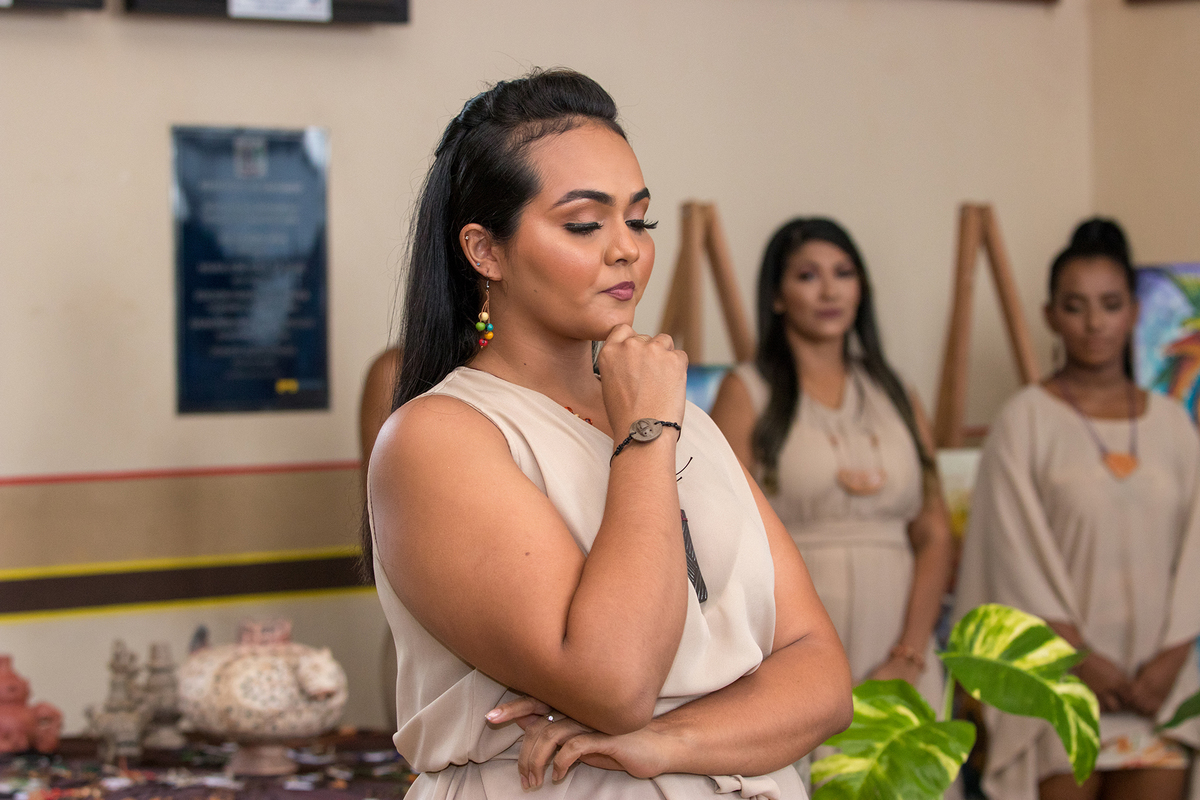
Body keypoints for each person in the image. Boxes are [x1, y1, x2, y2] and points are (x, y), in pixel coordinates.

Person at [364, 69, 852, 799]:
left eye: (640, 220)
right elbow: (614, 681)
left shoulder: (686, 421)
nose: (626, 249)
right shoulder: (439, 437)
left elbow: (823, 681)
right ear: (485, 251)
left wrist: (664, 741)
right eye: (586, 224)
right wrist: (648, 434)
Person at [954, 218, 1200, 800]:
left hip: (1157, 693)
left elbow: (1196, 553)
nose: (1094, 323)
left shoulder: (1173, 424)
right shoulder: (1024, 422)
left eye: (1110, 304)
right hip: (1060, 686)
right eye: (1076, 306)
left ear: (1134, 312)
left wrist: (1168, 663)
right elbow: (1010, 560)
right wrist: (1084, 662)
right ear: (1050, 316)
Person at [709, 218, 953, 711]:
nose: (828, 290)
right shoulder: (746, 390)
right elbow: (721, 534)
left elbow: (935, 532)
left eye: (843, 273)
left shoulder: (899, 392)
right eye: (806, 276)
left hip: (905, 638)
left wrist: (909, 652)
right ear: (776, 296)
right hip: (793, 634)